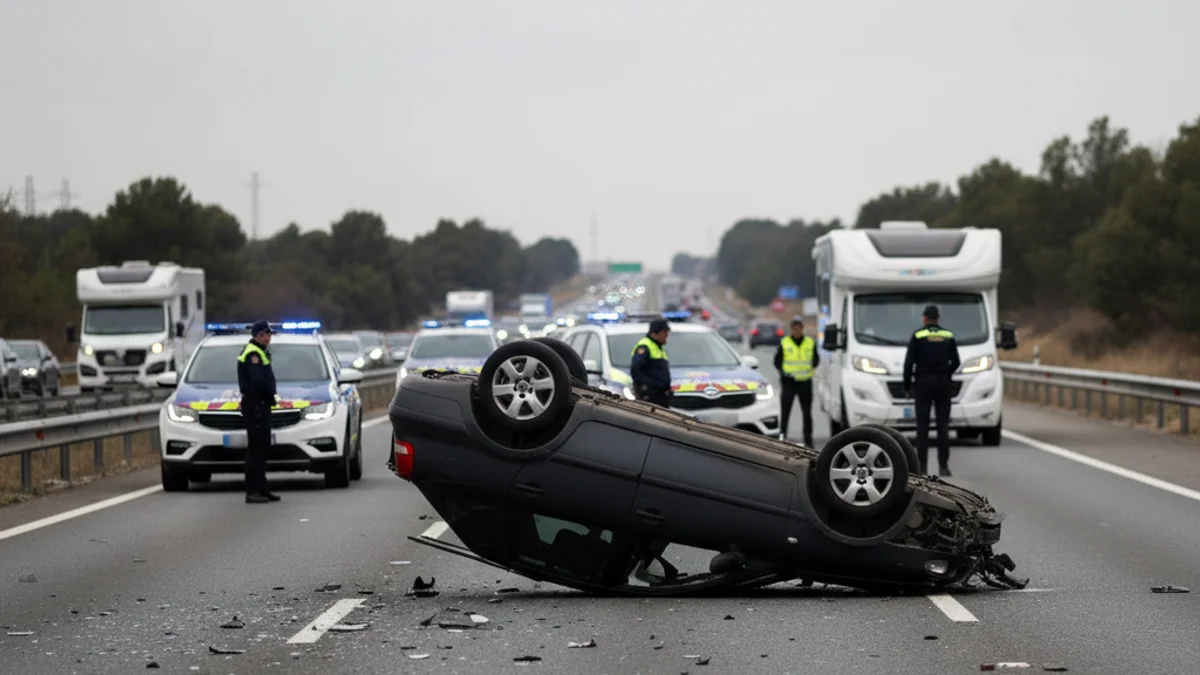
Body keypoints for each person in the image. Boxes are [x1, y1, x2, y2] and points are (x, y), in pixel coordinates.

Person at [902, 305, 961, 477]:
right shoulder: (947, 336)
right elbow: (956, 362)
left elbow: (908, 364)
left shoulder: (918, 335)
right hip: (943, 384)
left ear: (925, 318)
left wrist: (907, 385)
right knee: (943, 426)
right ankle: (943, 466)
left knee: (922, 427)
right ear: (937, 319)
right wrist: (946, 373)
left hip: (923, 384)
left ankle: (923, 467)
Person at [238, 320, 281, 503]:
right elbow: (257, 382)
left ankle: (262, 488)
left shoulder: (261, 352)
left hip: (261, 405)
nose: (268, 337)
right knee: (256, 450)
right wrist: (268, 394)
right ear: (256, 335)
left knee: (262, 449)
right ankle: (252, 491)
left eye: (269, 334)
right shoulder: (253, 353)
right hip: (256, 406)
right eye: (265, 334)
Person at [773, 316, 819, 446]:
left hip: (805, 382)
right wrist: (783, 372)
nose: (797, 329)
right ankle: (782, 437)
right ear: (791, 328)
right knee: (785, 411)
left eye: (799, 327)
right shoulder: (784, 342)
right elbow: (777, 361)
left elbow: (816, 360)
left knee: (807, 412)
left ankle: (808, 440)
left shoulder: (810, 342)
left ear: (802, 328)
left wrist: (809, 368)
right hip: (789, 382)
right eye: (794, 327)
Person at [630, 317, 672, 406]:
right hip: (651, 398)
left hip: (661, 396)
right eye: (665, 332)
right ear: (656, 333)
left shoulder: (658, 347)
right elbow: (636, 371)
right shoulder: (645, 346)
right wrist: (649, 387)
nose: (667, 335)